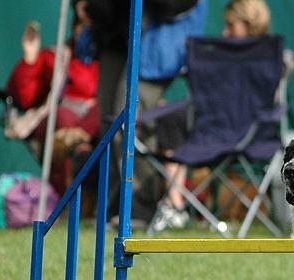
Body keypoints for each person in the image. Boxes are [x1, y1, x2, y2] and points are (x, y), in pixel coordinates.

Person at [153, 0, 280, 231]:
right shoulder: (271, 57)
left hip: (219, 132)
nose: (225, 32)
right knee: (173, 119)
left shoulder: (217, 56)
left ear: (249, 22)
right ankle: (177, 204)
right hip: (248, 133)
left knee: (170, 119)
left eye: (231, 25)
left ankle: (175, 204)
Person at [85, 0, 207, 229]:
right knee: (109, 126)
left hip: (158, 45)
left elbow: (175, 5)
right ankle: (113, 208)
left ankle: (141, 209)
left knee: (130, 124)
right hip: (116, 35)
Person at [5, 0, 100, 196]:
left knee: (106, 116)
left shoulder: (112, 61)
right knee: (64, 118)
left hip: (95, 127)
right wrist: (30, 59)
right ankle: (66, 200)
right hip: (61, 125)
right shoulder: (56, 57)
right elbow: (26, 97)